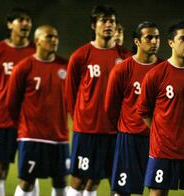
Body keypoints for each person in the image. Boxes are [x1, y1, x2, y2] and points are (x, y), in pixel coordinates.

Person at [65, 5, 131, 195]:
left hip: (118, 133)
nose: (109, 24)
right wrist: (82, 121)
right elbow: (71, 95)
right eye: (104, 20)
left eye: (112, 21)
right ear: (94, 25)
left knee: (119, 183)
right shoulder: (80, 56)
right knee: (79, 180)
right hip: (88, 131)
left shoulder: (126, 58)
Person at [137, 21, 184, 196]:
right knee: (158, 193)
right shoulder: (156, 74)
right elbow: (144, 111)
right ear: (171, 43)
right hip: (163, 152)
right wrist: (162, 134)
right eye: (183, 39)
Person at [6, 25, 69, 196]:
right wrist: (25, 127)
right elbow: (11, 103)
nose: (54, 40)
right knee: (26, 182)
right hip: (31, 136)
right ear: (37, 41)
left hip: (59, 138)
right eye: (49, 37)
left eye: (55, 37)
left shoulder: (65, 66)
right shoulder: (24, 67)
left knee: (61, 181)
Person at [0, 8, 35, 196]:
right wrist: (0, 108)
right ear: (10, 24)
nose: (25, 23)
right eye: (20, 20)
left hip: (30, 123)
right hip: (3, 121)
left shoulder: (36, 51)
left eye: (28, 20)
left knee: (30, 172)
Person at [105, 21, 161, 196]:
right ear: (137, 41)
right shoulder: (122, 69)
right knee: (122, 190)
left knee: (158, 189)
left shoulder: (164, 69)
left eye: (157, 38)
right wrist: (126, 128)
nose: (154, 41)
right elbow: (110, 107)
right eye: (149, 37)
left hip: (157, 141)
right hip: (129, 140)